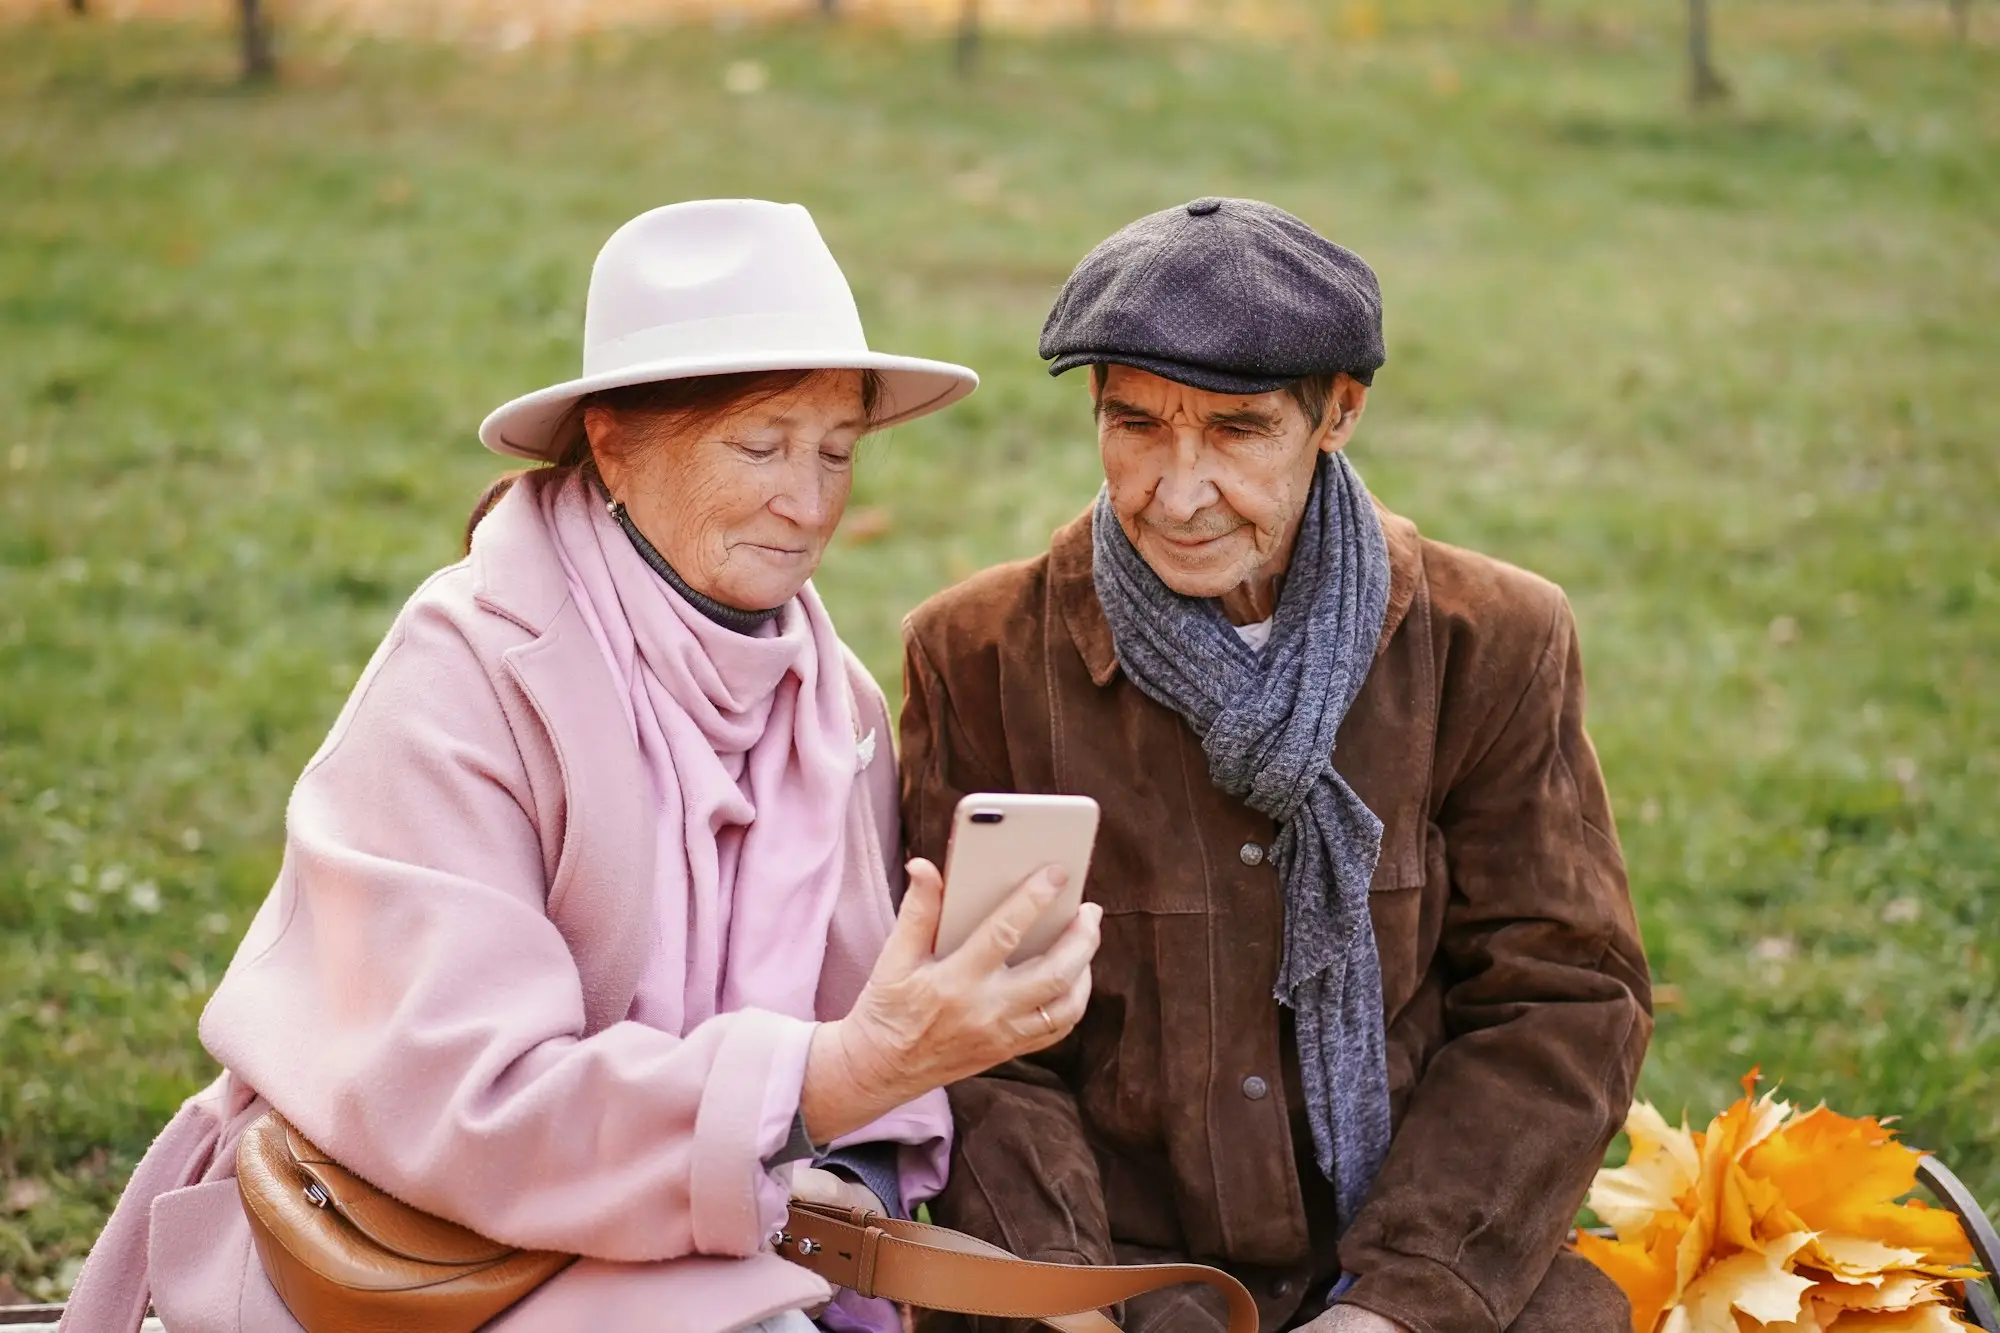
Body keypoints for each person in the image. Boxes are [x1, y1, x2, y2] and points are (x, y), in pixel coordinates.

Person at [59, 199, 1102, 1333]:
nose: (809, 505)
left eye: (836, 452)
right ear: (614, 438)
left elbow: (862, 1086)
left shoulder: (827, 696)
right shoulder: (468, 669)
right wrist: (826, 1080)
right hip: (415, 1248)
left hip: (706, 1237)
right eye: (760, 447)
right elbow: (471, 1106)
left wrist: (900, 1083)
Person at [899, 198, 1652, 1333]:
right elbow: (973, 1045)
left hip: (1424, 1263)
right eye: (1135, 424)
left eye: (1238, 430)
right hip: (1117, 1268)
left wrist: (1396, 1304)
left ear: (1336, 412)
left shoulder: (1489, 640)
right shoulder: (977, 655)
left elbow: (1560, 999)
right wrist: (1061, 1298)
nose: (1178, 487)